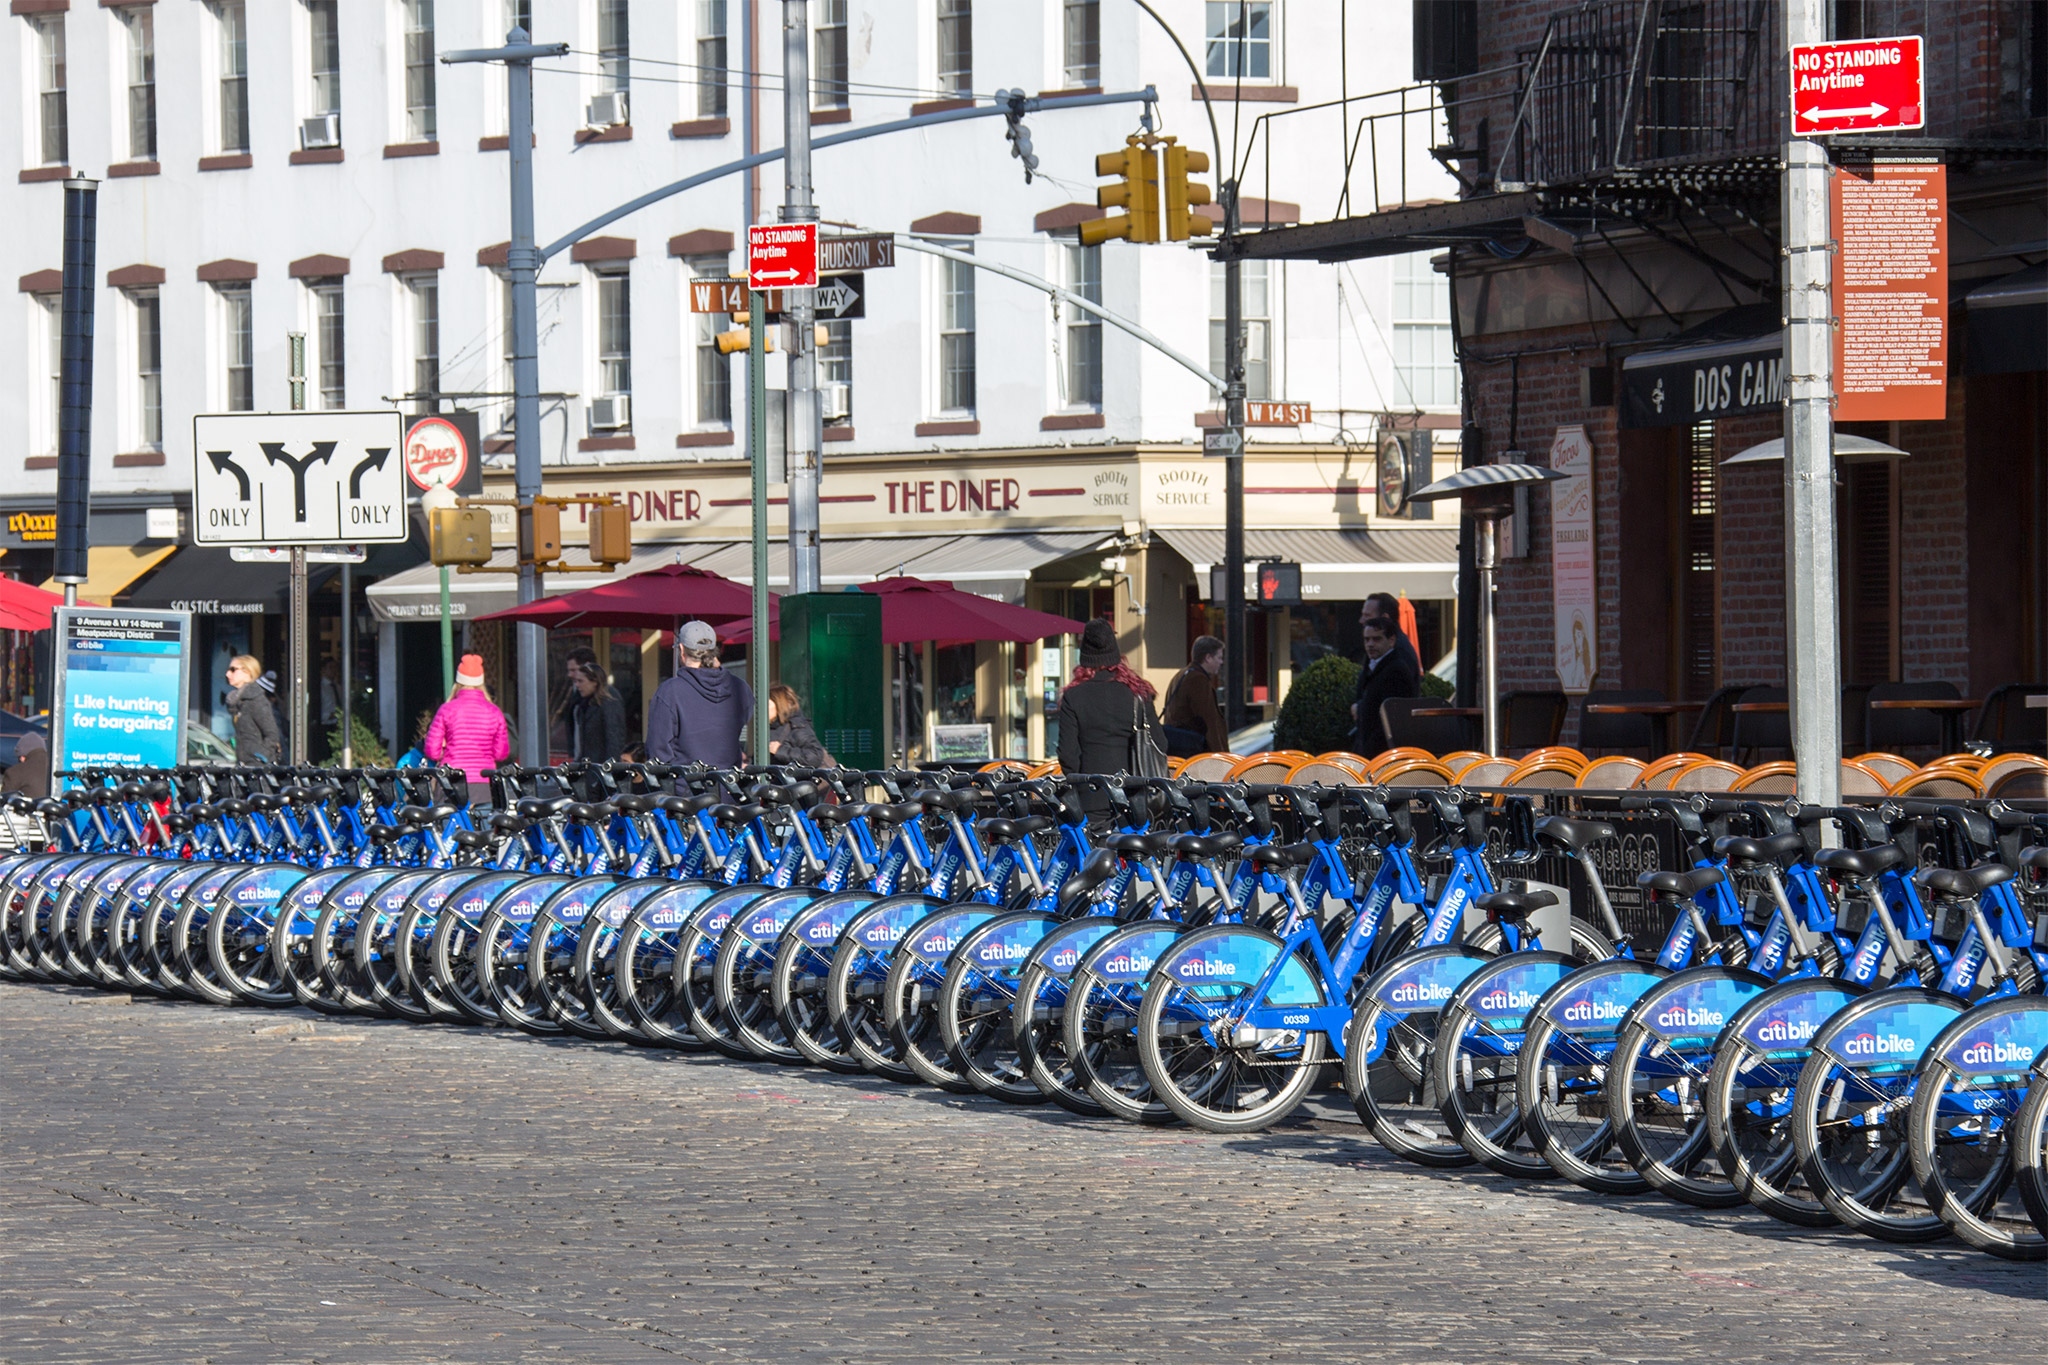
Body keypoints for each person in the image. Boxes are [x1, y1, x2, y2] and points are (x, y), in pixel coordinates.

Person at [1056, 618, 1165, 778]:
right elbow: (1160, 743)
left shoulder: (1073, 696)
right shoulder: (1138, 693)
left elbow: (1067, 754)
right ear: (1114, 650)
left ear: (1085, 654)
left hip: (1090, 792)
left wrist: (1079, 783)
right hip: (1134, 793)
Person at [646, 620, 753, 768]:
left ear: (682, 650)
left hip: (686, 786)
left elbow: (658, 751)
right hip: (729, 784)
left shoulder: (670, 691)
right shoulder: (740, 687)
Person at [424, 654, 511, 806]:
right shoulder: (494, 712)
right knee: (483, 828)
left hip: (451, 779)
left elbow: (432, 751)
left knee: (450, 827)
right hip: (484, 782)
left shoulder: (447, 709)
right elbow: (501, 753)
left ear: (459, 681)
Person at [1350, 614, 1422, 758]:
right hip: (1369, 748)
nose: (1370, 644)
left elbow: (1394, 717)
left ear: (1391, 640)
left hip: (1383, 752)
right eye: (1367, 639)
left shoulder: (1396, 670)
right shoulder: (1372, 665)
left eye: (1376, 639)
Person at [1159, 634, 1227, 758]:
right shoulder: (1198, 680)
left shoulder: (1181, 675)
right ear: (1208, 658)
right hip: (1195, 756)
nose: (1221, 662)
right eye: (1219, 657)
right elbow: (1209, 721)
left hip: (1179, 751)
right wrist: (1221, 757)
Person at [563, 646, 628, 762]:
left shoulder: (608, 697)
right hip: (584, 762)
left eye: (574, 670)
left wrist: (609, 768)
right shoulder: (579, 697)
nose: (570, 675)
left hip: (599, 766)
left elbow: (614, 736)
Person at [224, 655, 282, 766]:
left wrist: (260, 757)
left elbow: (272, 735)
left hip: (256, 768)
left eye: (233, 670)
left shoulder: (256, 700)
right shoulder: (238, 701)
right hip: (243, 764)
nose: (228, 674)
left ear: (247, 672)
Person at [768, 683, 829, 767]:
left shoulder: (797, 727)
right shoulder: (771, 728)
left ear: (780, 705)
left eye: (767, 704)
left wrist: (779, 750)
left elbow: (815, 756)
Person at [2, 731, 50, 799]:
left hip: (32, 809)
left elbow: (3, 801)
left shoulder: (15, 772)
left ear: (22, 757)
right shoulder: (58, 767)